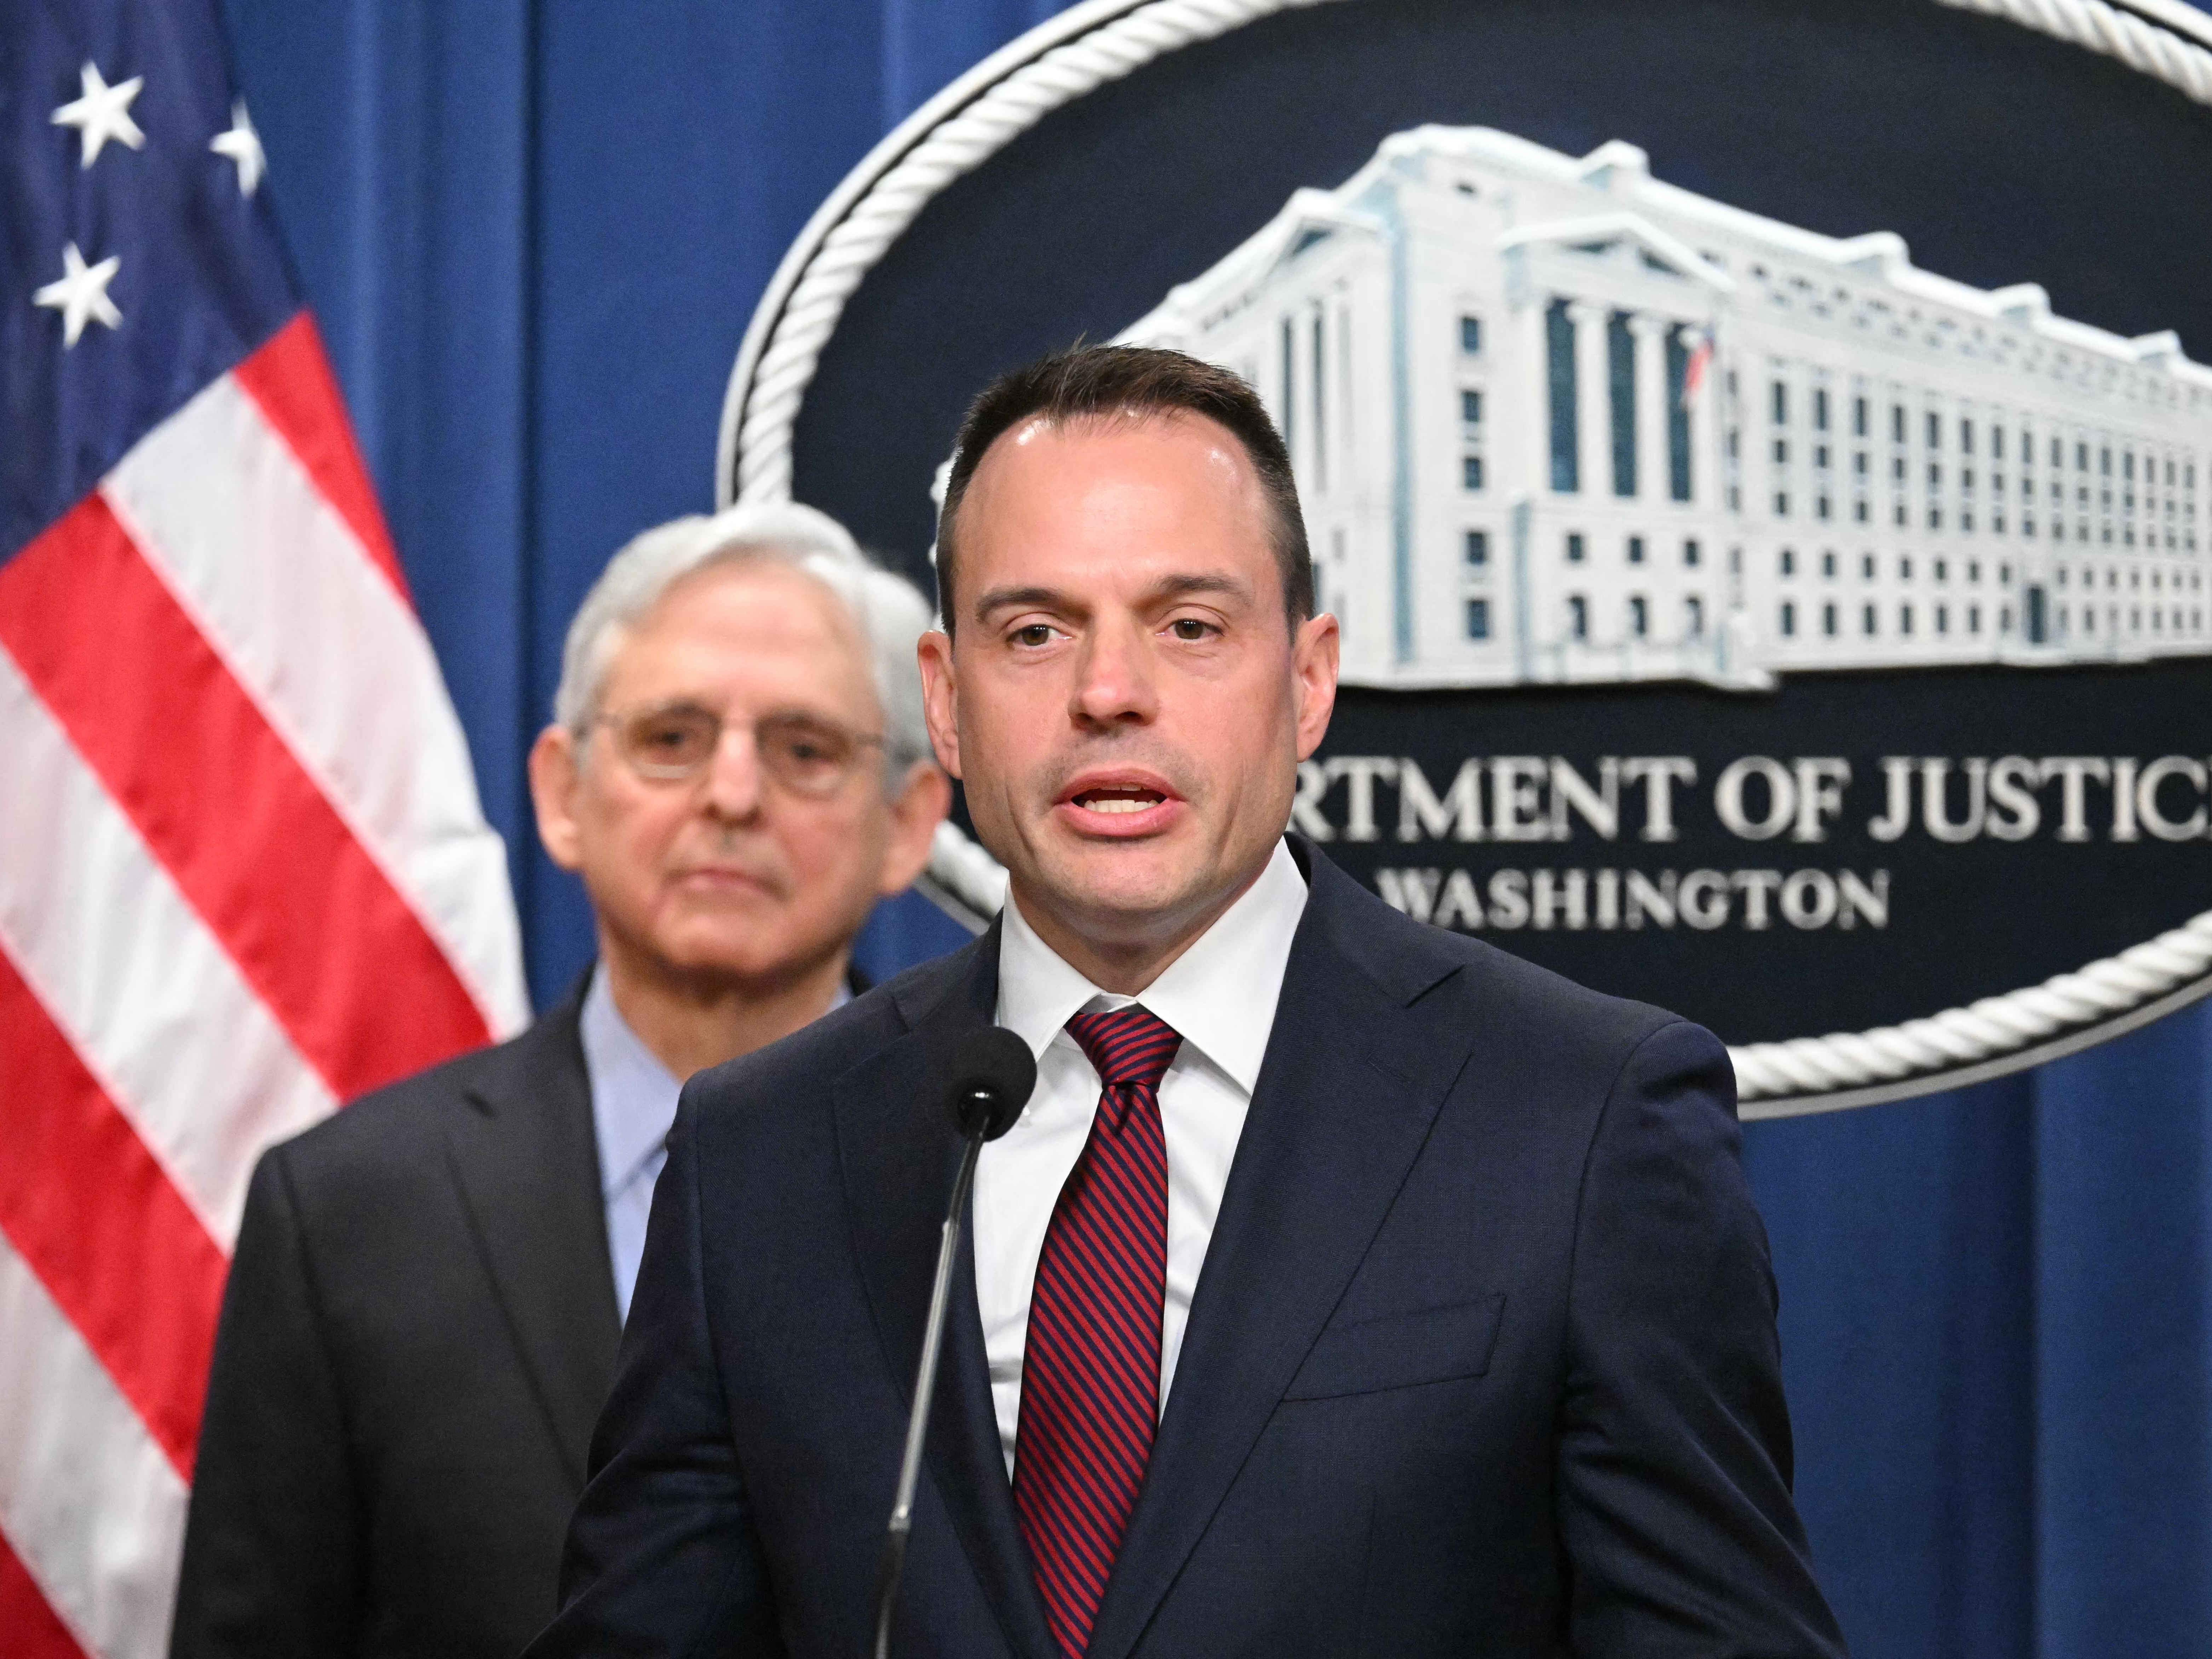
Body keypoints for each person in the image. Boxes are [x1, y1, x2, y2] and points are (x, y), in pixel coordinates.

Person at [527, 348, 1849, 1657]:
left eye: (1189, 627)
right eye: (1034, 632)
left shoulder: (1580, 1119)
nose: (1110, 694)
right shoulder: (764, 1151)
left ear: (1309, 678)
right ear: (945, 701)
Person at [170, 502, 950, 1659]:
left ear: (906, 825)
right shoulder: (347, 1215)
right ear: (561, 794)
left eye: (804, 749)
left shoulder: (1010, 1175)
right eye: (672, 739)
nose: (732, 796)